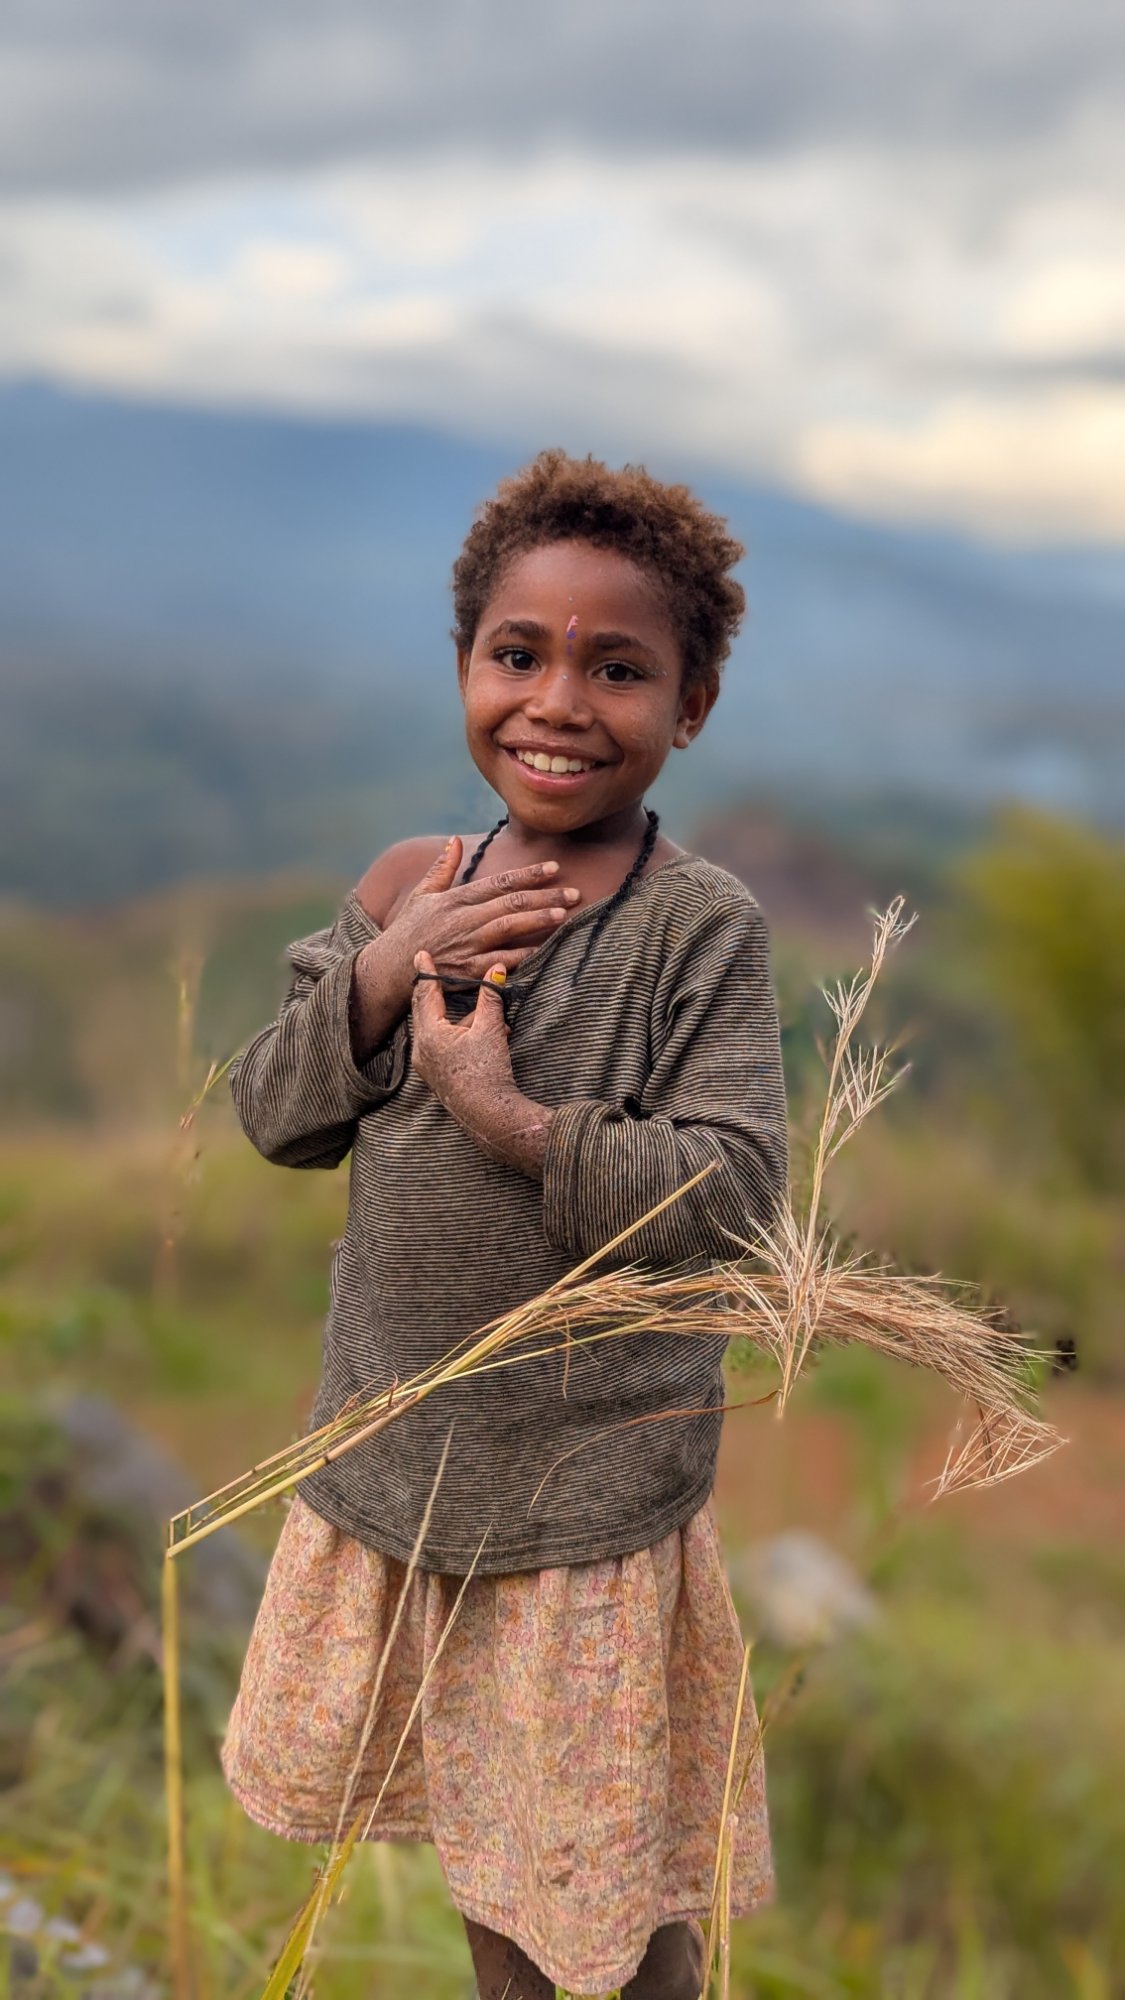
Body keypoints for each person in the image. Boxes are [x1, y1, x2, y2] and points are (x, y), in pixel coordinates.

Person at [222, 449, 789, 1999]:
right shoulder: (413, 882)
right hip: (402, 1473)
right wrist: (387, 966)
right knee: (498, 1884)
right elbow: (274, 1114)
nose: (555, 702)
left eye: (618, 669)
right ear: (465, 664)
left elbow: (733, 1191)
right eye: (515, 653)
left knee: (593, 1917)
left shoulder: (696, 929)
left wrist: (510, 1121)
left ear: (690, 707)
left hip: (580, 1518)